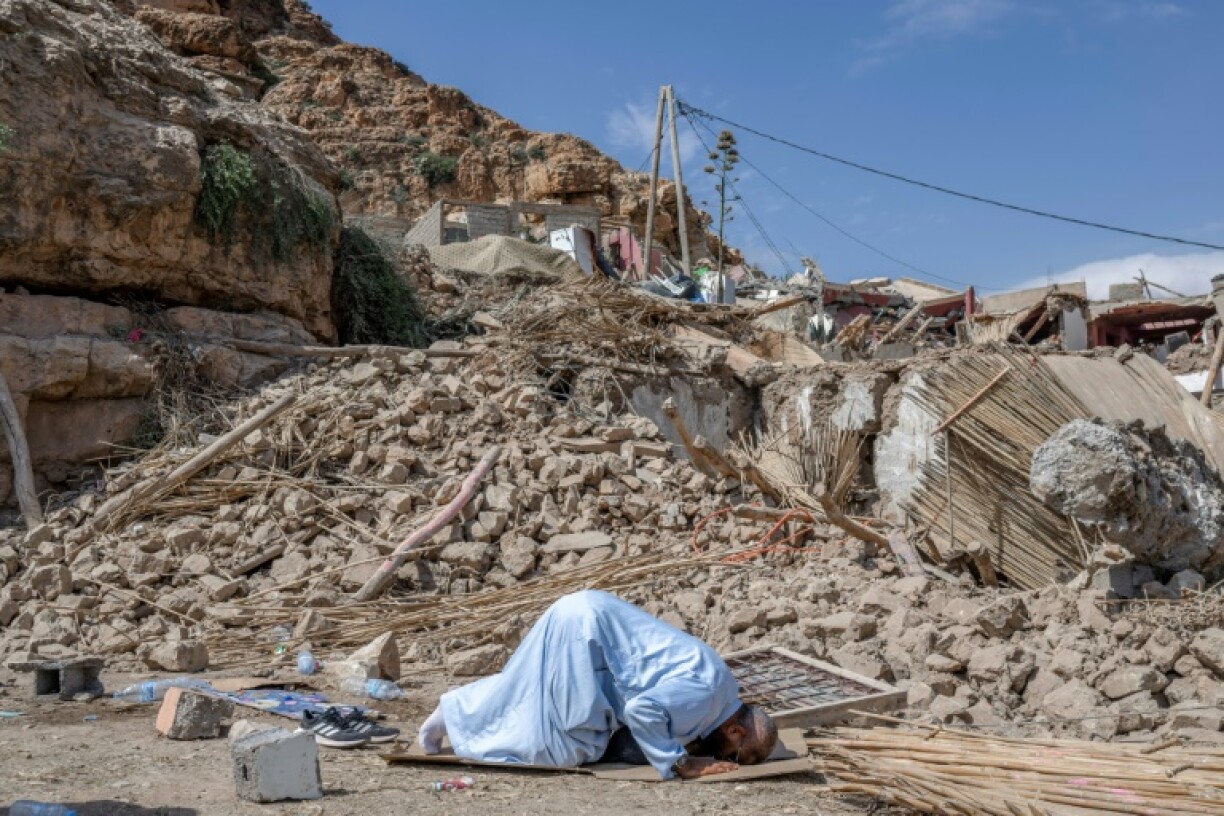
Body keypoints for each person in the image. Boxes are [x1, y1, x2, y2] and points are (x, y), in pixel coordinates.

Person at [417, 590, 777, 780]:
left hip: (583, 617)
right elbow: (642, 709)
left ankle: (451, 710)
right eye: (732, 755)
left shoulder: (721, 688)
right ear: (735, 731)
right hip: (587, 638)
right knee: (563, 748)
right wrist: (682, 763)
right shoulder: (707, 698)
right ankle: (453, 718)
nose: (722, 759)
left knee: (525, 688)